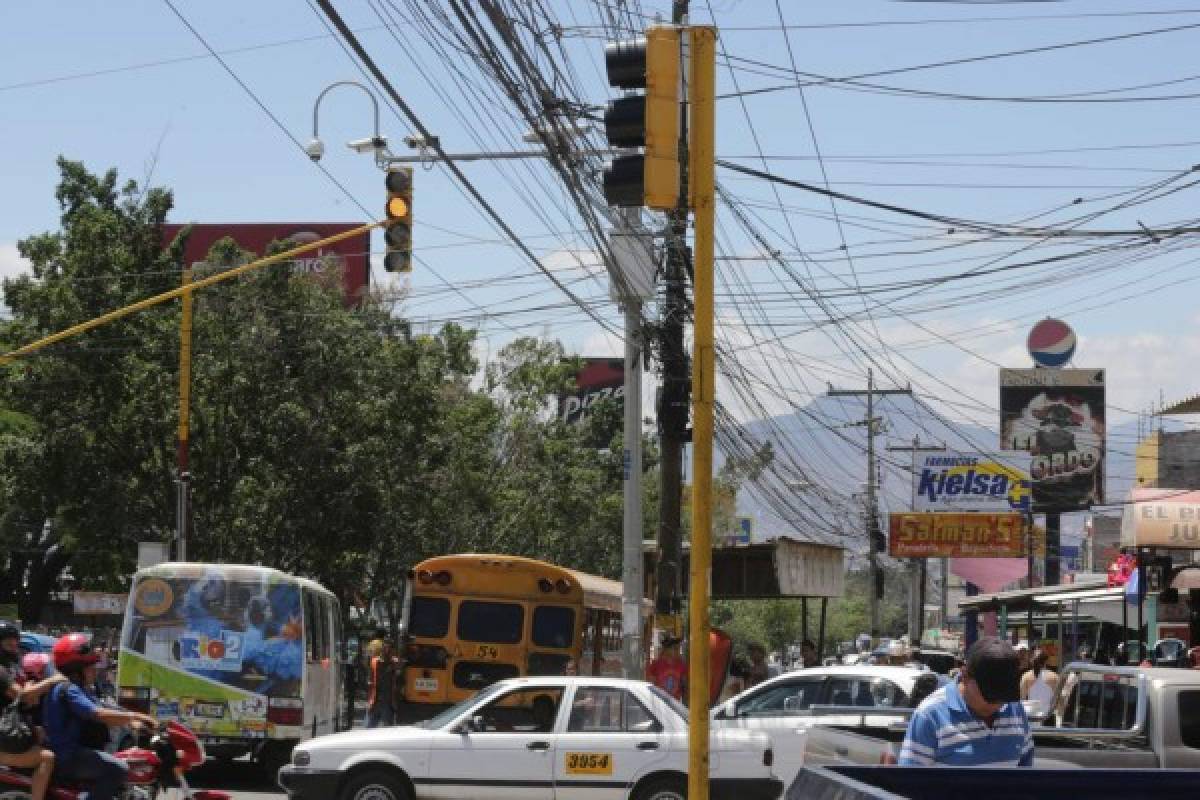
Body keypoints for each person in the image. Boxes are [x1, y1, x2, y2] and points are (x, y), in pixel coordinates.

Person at [45, 633, 157, 800]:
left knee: (128, 759)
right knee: (118, 768)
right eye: (90, 667)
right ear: (76, 669)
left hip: (76, 751)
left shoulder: (80, 689)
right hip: (68, 756)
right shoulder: (69, 690)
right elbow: (98, 713)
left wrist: (133, 722)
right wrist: (135, 715)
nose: (95, 671)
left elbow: (104, 707)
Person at [899, 637, 1033, 767]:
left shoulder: (1015, 708)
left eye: (1004, 696)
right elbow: (910, 782)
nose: (997, 705)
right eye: (990, 696)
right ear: (965, 675)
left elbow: (1025, 772)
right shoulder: (930, 715)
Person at [366, 640, 399, 728]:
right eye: (385, 648)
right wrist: (369, 701)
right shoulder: (374, 662)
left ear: (392, 651)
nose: (387, 651)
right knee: (368, 730)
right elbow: (370, 683)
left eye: (389, 649)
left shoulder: (395, 663)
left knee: (388, 731)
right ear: (382, 649)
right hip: (375, 702)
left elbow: (399, 681)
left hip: (388, 703)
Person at [1020, 649, 1059, 717]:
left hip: (1031, 715)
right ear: (1046, 661)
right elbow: (1058, 698)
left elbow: (1022, 698)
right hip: (1049, 715)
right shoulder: (1054, 676)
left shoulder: (1026, 676)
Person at [647, 636, 687, 701]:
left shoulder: (681, 665)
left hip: (675, 704)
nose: (678, 651)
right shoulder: (656, 664)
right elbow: (651, 685)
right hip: (660, 702)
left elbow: (684, 685)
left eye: (678, 648)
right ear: (666, 649)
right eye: (675, 648)